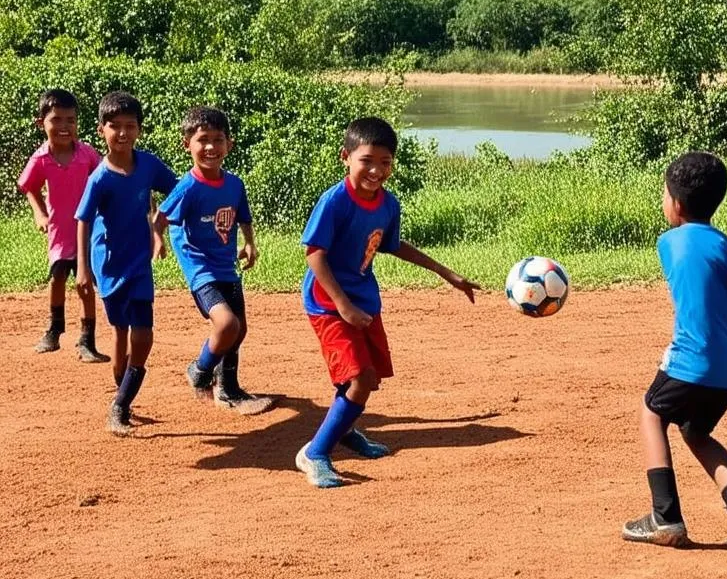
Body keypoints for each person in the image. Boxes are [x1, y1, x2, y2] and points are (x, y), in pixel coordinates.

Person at [295, 116, 480, 487]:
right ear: (345, 157)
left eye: (385, 162)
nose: (376, 170)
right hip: (329, 304)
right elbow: (314, 253)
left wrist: (447, 273)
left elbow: (393, 245)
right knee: (359, 379)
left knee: (366, 378)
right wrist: (343, 305)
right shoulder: (335, 201)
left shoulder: (387, 204)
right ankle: (315, 452)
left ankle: (345, 430)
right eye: (367, 160)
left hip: (363, 300)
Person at [622, 151, 727, 548]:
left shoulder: (668, 242)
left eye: (664, 194)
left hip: (690, 363)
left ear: (676, 203)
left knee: (650, 413)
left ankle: (665, 517)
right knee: (696, 431)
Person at [154, 106, 270, 414]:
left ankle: (229, 388)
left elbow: (243, 216)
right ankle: (200, 370)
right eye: (202, 139)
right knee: (226, 324)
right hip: (200, 267)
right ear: (187, 145)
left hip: (226, 265)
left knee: (239, 329)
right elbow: (160, 218)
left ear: (228, 145)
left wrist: (249, 243)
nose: (210, 147)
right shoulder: (188, 186)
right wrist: (158, 241)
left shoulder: (234, 184)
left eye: (218, 140)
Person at [76, 92, 178, 435]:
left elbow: (177, 190)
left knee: (144, 333)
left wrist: (159, 226)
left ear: (139, 129)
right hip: (108, 263)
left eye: (129, 126)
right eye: (114, 126)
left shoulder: (148, 164)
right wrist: (82, 268)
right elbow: (84, 220)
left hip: (138, 262)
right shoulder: (100, 178)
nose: (122, 133)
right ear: (101, 129)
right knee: (120, 331)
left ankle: (120, 404)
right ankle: (123, 392)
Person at [17, 88, 108, 362]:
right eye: (56, 119)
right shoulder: (41, 158)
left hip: (88, 232)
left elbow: (103, 179)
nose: (64, 126)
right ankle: (54, 330)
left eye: (70, 120)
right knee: (57, 277)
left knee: (85, 283)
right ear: (41, 123)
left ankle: (86, 339)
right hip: (60, 231)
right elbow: (28, 187)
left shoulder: (87, 155)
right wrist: (40, 214)